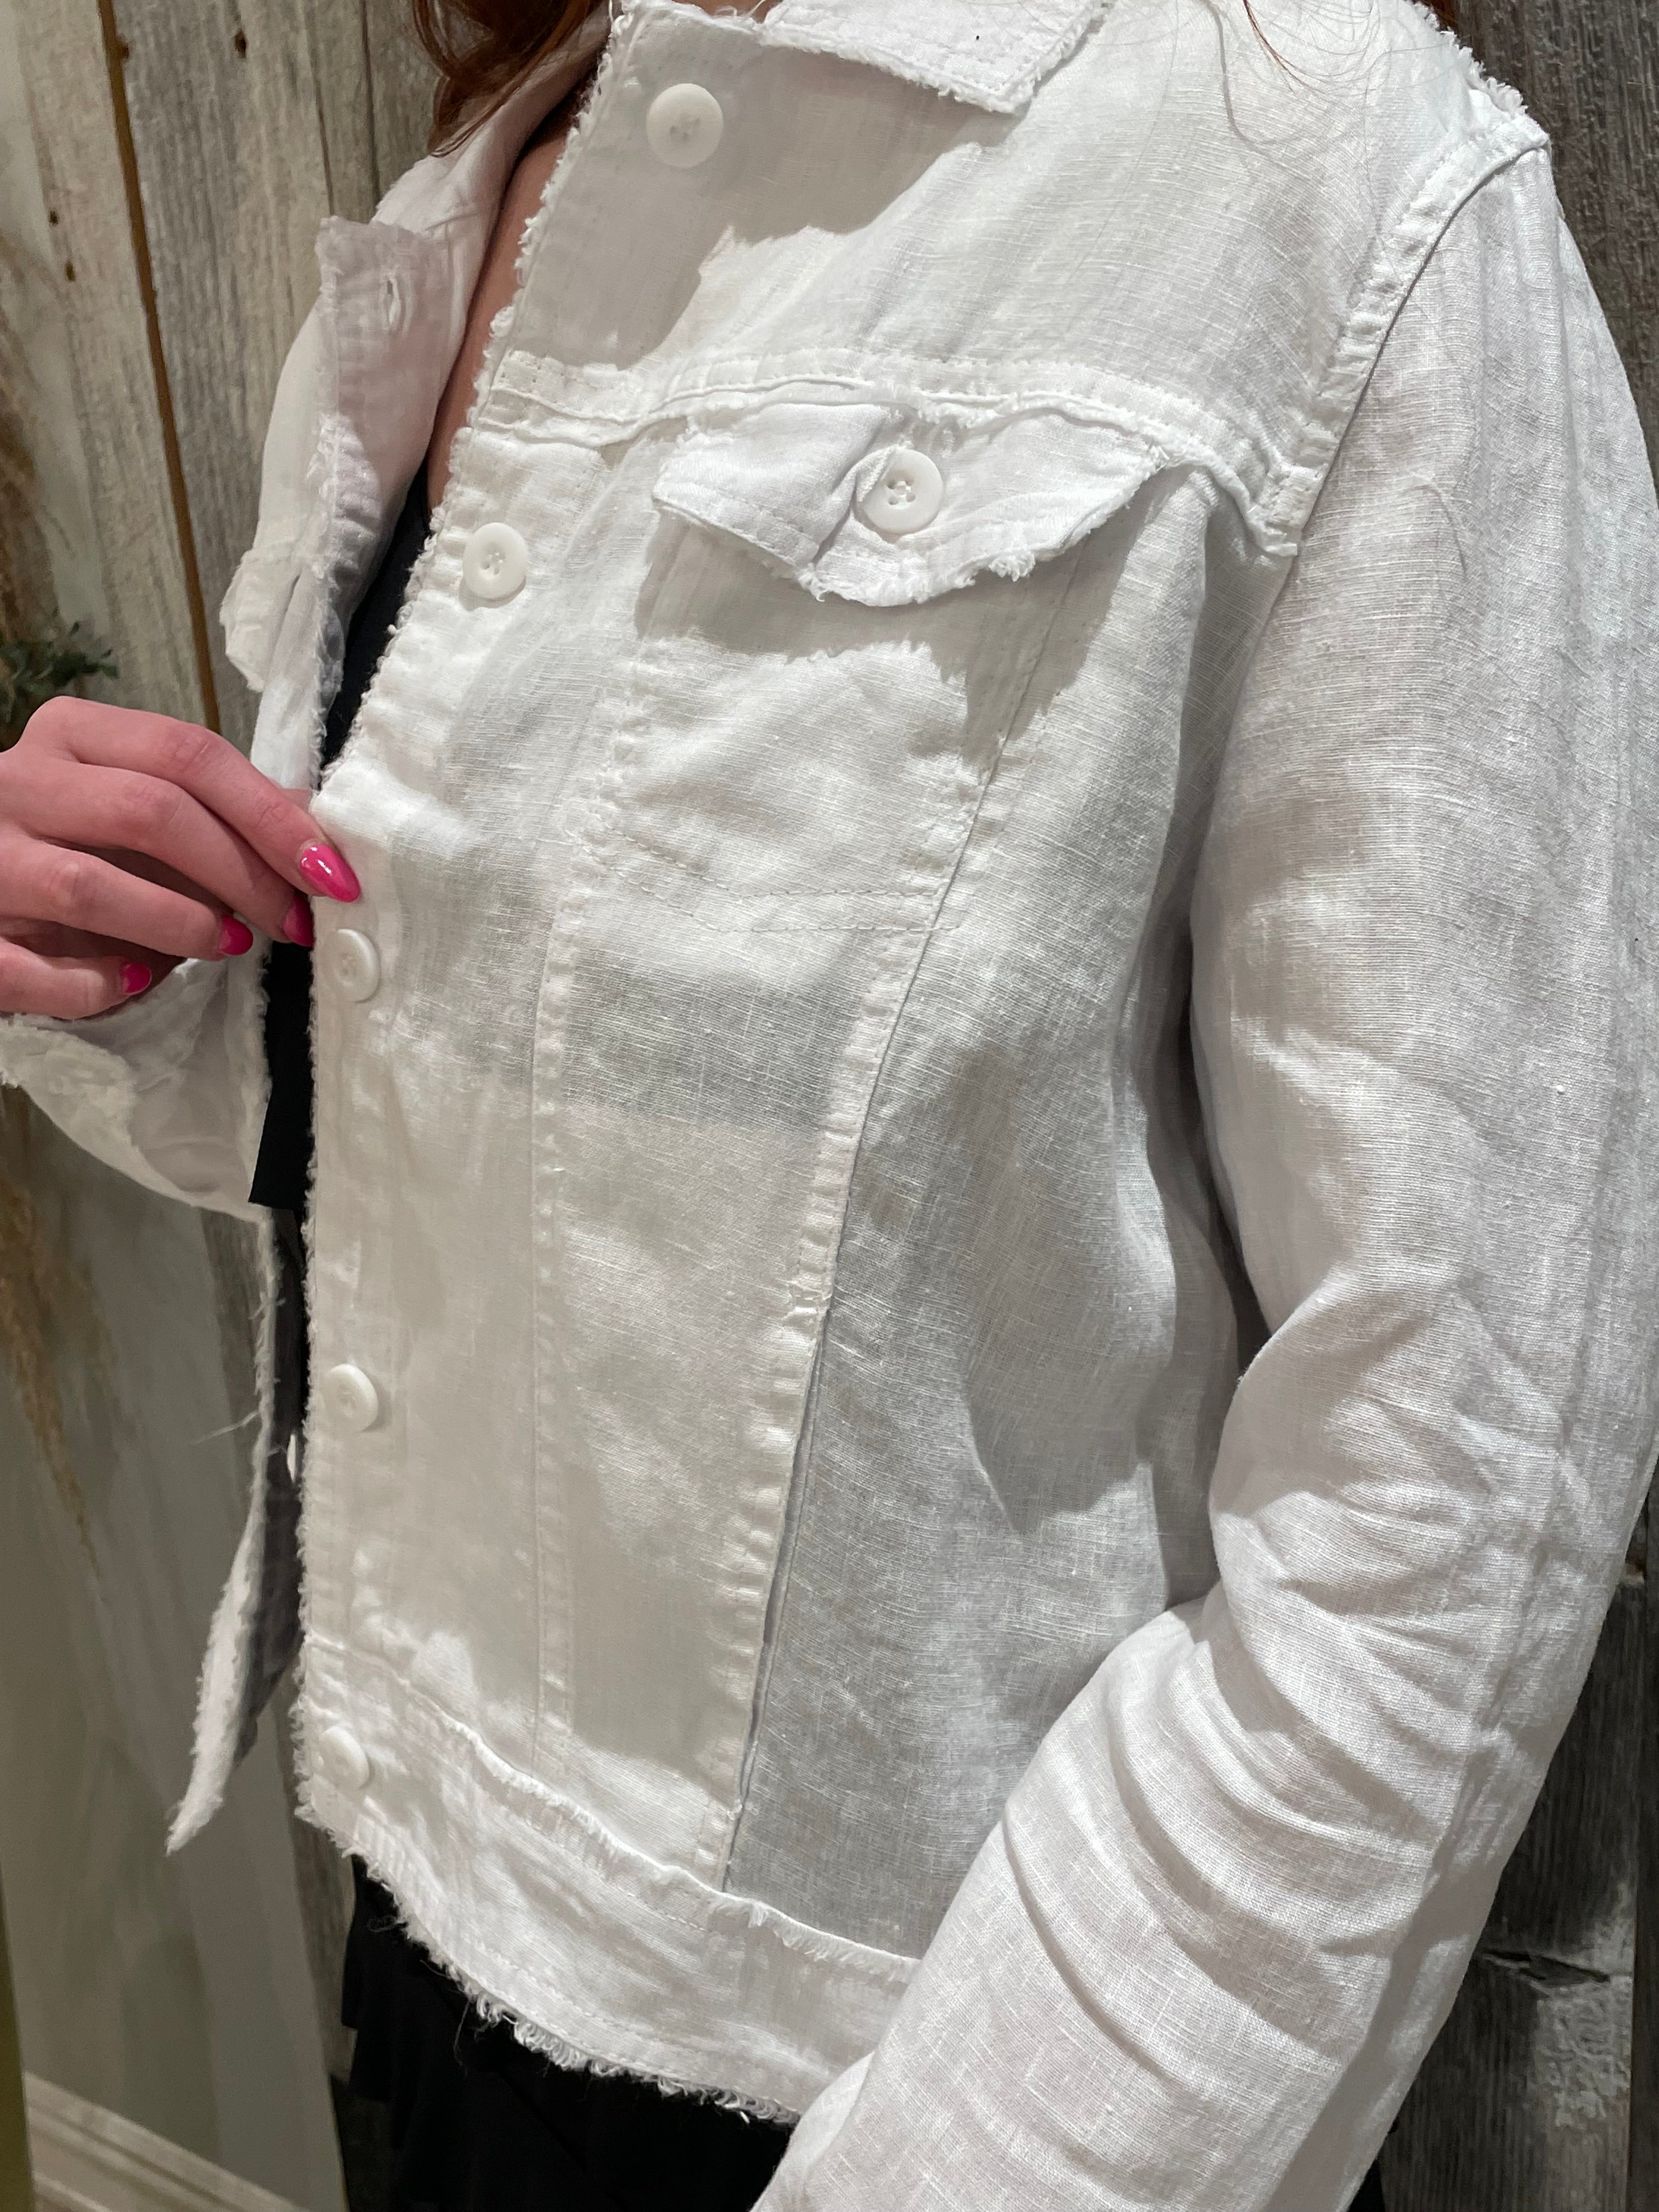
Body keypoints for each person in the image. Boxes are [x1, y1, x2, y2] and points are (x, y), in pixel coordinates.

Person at [1, 0, 1656, 2205]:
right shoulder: (486, 185)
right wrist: (119, 970)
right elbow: (450, 1128)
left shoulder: (1331, 193)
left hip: (936, 2086)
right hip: (413, 1915)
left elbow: (1445, 1493)